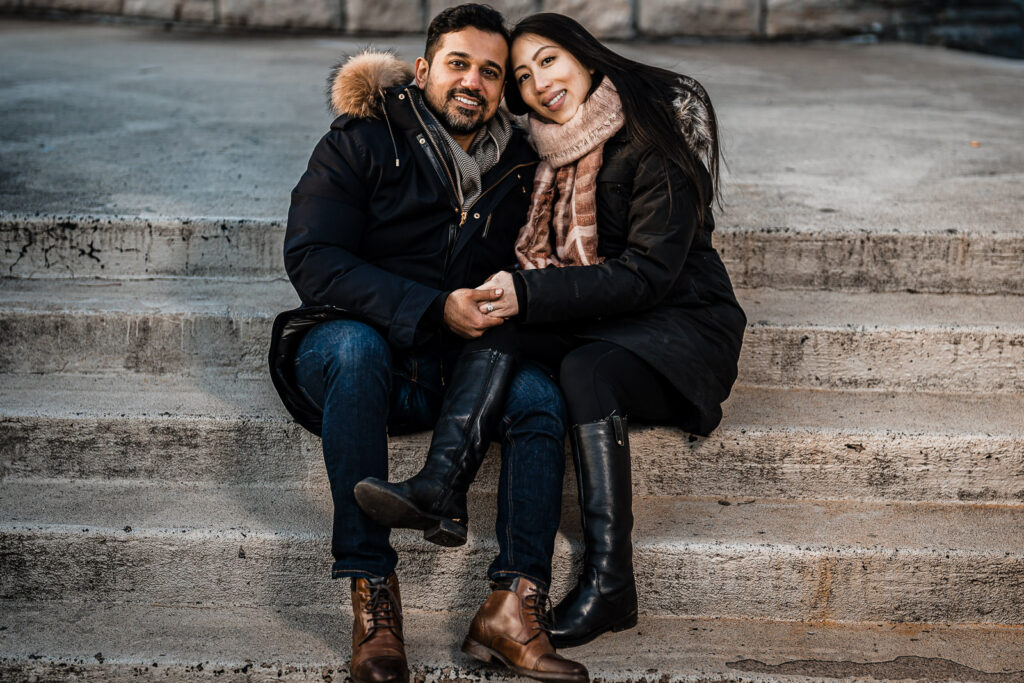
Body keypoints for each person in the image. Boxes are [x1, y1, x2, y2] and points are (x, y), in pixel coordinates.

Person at [356, 12, 746, 651]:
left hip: (683, 327)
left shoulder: (651, 140)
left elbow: (648, 275)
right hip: (608, 323)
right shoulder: (545, 154)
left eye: (549, 61)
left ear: (587, 60)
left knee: (584, 371)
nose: (538, 83)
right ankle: (440, 487)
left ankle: (611, 583)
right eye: (521, 76)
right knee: (501, 317)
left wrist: (530, 291)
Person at [268, 5, 588, 683]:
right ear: (422, 71)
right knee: (356, 351)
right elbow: (313, 256)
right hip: (348, 345)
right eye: (458, 64)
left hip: (454, 366)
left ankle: (515, 604)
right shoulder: (363, 138)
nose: (473, 82)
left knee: (537, 394)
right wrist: (431, 308)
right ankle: (373, 594)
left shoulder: (522, 165)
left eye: (491, 72)